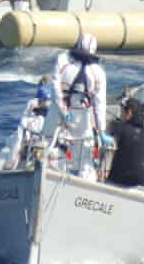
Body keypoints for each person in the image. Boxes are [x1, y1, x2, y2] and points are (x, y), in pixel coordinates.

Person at [50, 34, 107, 179]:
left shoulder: (62, 60)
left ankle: (54, 176)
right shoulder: (99, 73)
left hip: (60, 114)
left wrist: (63, 110)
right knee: (85, 160)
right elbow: (99, 106)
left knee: (56, 152)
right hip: (83, 119)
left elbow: (55, 89)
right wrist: (101, 132)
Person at [107, 97, 144, 189]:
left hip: (115, 177)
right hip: (135, 178)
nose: (120, 115)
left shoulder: (118, 127)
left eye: (122, 112)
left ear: (129, 113)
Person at [6, 83, 53, 170]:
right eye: (45, 100)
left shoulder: (51, 113)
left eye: (47, 100)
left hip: (45, 144)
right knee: (18, 144)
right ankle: (10, 166)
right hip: (30, 142)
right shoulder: (31, 114)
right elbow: (23, 126)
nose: (47, 102)